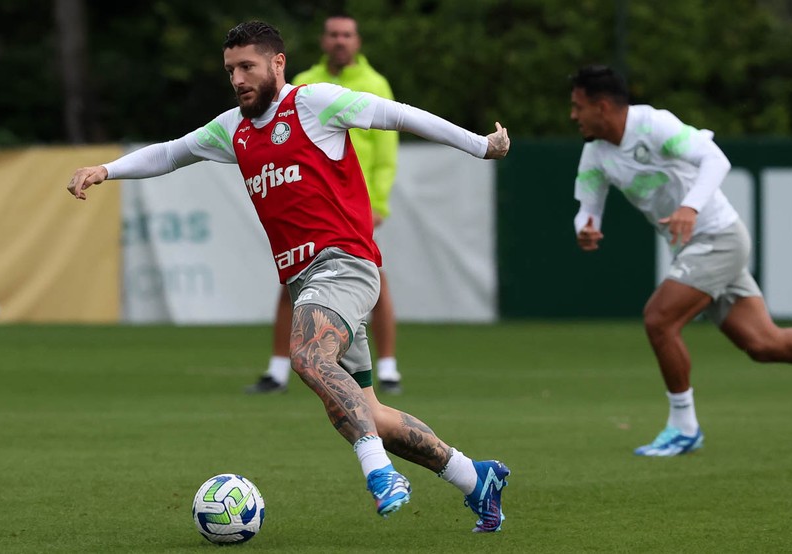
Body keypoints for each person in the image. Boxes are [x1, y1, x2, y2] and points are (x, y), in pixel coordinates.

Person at [67, 21, 511, 531]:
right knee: (365, 412)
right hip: (307, 279)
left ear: (278, 63)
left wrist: (479, 146)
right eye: (231, 69)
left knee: (306, 356)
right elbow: (171, 152)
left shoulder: (315, 103)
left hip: (344, 262)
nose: (237, 79)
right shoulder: (232, 129)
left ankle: (379, 473)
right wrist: (107, 169)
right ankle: (476, 479)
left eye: (247, 66)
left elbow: (398, 115)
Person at [567, 64, 792, 457]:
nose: (573, 115)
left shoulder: (654, 124)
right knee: (765, 344)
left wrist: (690, 208)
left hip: (718, 238)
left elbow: (716, 160)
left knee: (659, 319)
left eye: (578, 106)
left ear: (604, 106)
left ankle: (685, 426)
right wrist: (587, 226)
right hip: (694, 247)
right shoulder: (595, 154)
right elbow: (588, 207)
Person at [246, 13, 403, 396]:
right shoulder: (304, 83)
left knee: (373, 279)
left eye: (347, 35)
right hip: (316, 202)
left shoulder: (374, 83)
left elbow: (386, 153)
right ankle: (278, 369)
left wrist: (378, 202)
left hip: (354, 202)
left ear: (357, 41)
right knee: (292, 283)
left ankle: (388, 368)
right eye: (333, 34)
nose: (340, 41)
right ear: (323, 40)